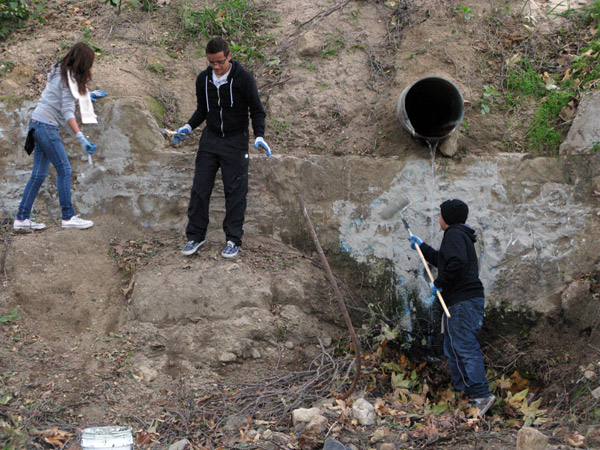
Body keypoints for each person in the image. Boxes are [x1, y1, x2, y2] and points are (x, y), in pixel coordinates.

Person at [172, 37, 270, 259]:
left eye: (219, 62)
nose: (215, 67)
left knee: (235, 191)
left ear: (229, 57)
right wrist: (187, 127)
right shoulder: (203, 80)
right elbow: (202, 110)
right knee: (200, 188)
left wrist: (260, 136)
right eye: (211, 63)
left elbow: (257, 110)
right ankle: (195, 236)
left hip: (236, 141)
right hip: (211, 139)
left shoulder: (243, 78)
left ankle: (233, 240)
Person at [408, 199, 495, 416]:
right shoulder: (459, 235)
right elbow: (445, 260)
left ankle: (481, 394)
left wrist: (439, 282)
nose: (438, 218)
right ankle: (465, 395)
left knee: (463, 346)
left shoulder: (454, 234)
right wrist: (422, 247)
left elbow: (456, 264)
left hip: (463, 301)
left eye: (440, 215)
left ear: (447, 218)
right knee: (453, 347)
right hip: (459, 301)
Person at [14, 42, 97, 231]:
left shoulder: (58, 70)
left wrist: (87, 95)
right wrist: (80, 137)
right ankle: (68, 217)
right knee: (64, 170)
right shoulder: (69, 81)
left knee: (38, 175)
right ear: (84, 64)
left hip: (36, 123)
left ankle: (21, 219)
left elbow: (60, 96)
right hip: (46, 126)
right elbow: (67, 111)